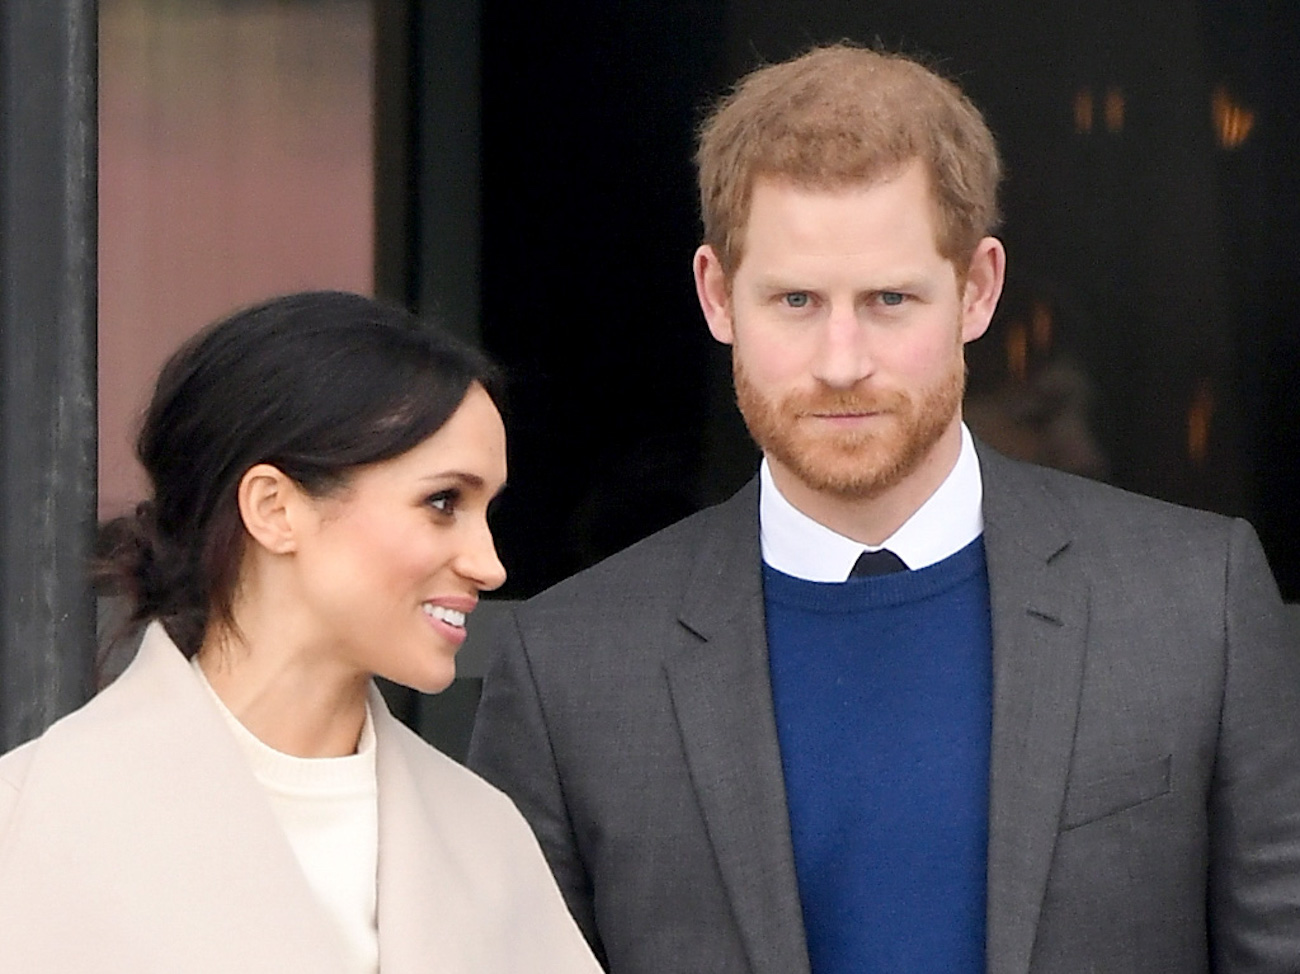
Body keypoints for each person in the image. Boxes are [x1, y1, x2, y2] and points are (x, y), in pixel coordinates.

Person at [467, 45, 1300, 974]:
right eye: (795, 299)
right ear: (716, 295)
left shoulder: (1197, 603)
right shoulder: (571, 666)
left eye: (890, 299)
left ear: (977, 291)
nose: (841, 359)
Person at [0, 291, 602, 974]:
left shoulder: (485, 840)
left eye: (485, 509)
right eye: (443, 503)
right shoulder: (32, 826)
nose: (489, 565)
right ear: (274, 507)